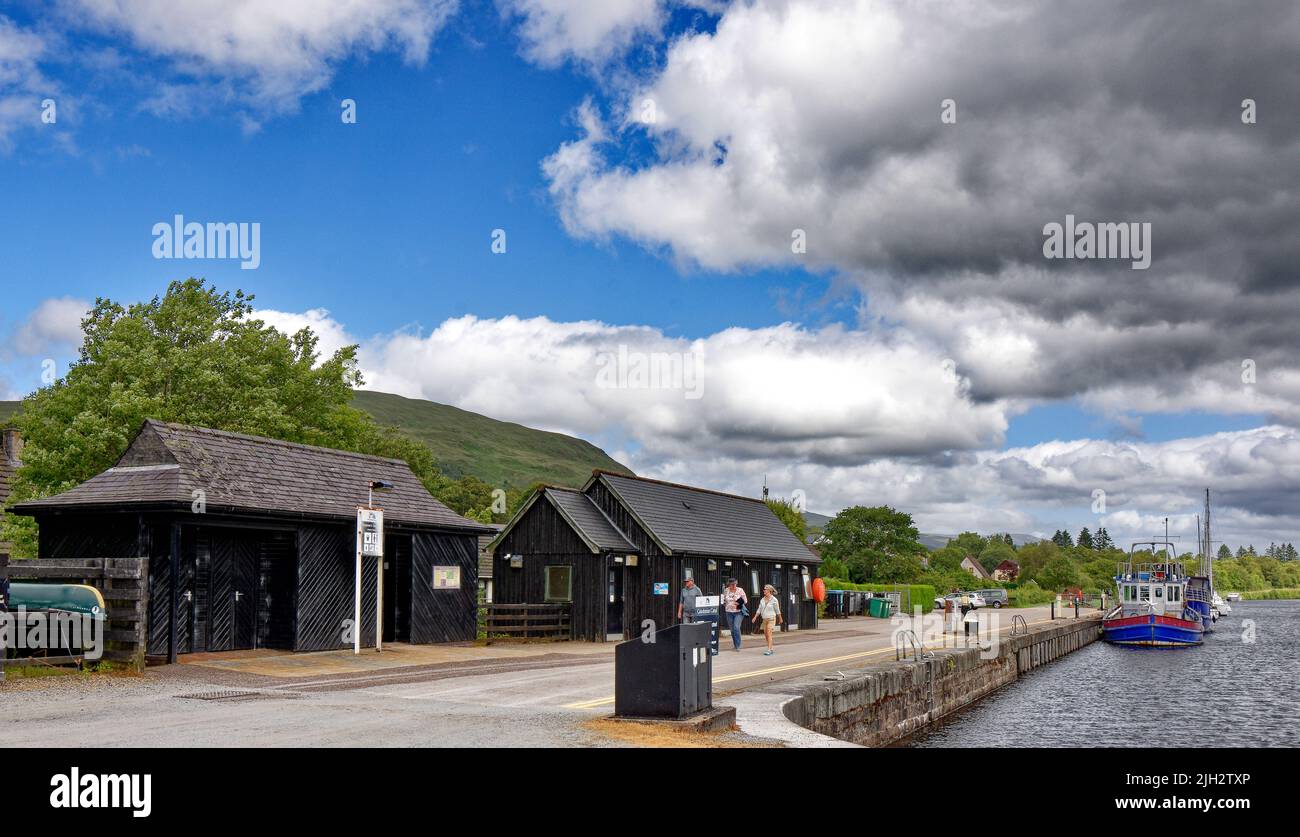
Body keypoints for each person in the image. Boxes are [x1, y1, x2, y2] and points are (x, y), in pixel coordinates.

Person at [751, 584, 782, 655]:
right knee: (766, 635)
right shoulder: (762, 599)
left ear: (769, 591)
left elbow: (777, 610)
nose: (763, 590)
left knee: (769, 633)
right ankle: (771, 648)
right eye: (764, 589)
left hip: (771, 619)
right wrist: (755, 617)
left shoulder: (774, 600)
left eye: (765, 589)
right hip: (764, 619)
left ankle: (769, 650)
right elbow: (759, 609)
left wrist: (780, 619)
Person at [721, 578, 748, 651]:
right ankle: (735, 645)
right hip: (729, 612)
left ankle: (738, 646)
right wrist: (724, 603)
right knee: (732, 630)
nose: (734, 586)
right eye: (732, 584)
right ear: (729, 584)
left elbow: (745, 600)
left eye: (735, 584)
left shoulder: (740, 590)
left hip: (738, 612)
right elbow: (723, 600)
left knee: (736, 628)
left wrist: (739, 602)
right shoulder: (726, 590)